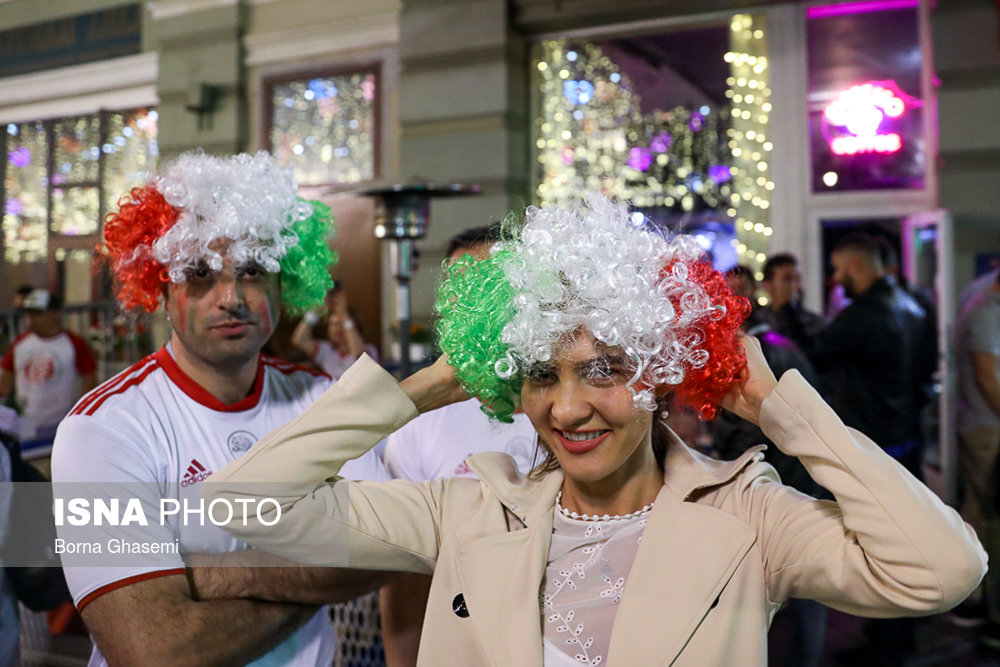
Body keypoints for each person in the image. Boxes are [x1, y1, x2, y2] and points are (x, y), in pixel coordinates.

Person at [206, 195, 985, 666]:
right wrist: (433, 382)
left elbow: (943, 569)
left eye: (606, 369)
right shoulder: (465, 510)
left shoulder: (747, 516)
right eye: (543, 373)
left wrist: (779, 406)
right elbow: (246, 499)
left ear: (657, 376)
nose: (569, 407)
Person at [51, 151, 391, 667]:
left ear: (283, 281)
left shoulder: (327, 399)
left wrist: (204, 575)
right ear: (161, 288)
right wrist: (321, 572)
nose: (231, 296)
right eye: (200, 273)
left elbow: (388, 548)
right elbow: (154, 652)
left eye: (253, 270)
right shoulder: (103, 429)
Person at [380, 223, 537, 667]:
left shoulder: (567, 410)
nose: (469, 307)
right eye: (458, 290)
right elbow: (406, 574)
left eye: (488, 288)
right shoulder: (420, 424)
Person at [955, 271, 1000, 645]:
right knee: (985, 515)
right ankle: (978, 602)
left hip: (981, 423)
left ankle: (974, 599)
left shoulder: (980, 294)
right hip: (987, 428)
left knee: (980, 510)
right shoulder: (987, 309)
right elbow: (988, 377)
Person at [0, 289, 97, 455]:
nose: (31, 319)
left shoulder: (74, 344)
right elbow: (6, 380)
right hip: (26, 428)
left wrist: (79, 418)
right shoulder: (20, 344)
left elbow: (90, 380)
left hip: (58, 427)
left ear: (55, 314)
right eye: (29, 314)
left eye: (38, 314)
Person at [290, 284, 378, 380]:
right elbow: (299, 340)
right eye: (333, 324)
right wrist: (315, 311)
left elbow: (359, 355)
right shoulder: (326, 351)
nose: (337, 328)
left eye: (341, 324)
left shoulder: (370, 349)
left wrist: (343, 314)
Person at [760, 253, 826, 340]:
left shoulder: (815, 324)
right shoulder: (758, 322)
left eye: (798, 279)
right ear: (768, 285)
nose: (796, 286)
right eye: (787, 279)